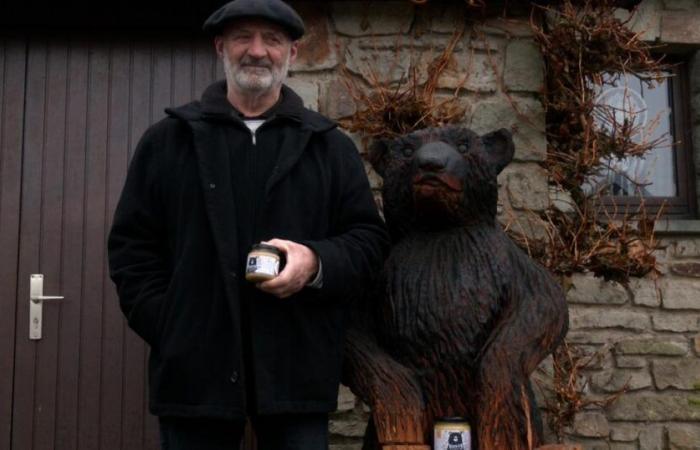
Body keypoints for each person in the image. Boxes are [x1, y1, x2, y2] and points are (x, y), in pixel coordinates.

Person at [107, 0, 389, 448]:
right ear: (221, 47)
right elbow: (131, 248)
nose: (257, 51)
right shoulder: (168, 141)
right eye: (243, 37)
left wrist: (314, 262)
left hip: (297, 372)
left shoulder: (328, 146)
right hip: (194, 374)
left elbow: (368, 242)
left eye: (272, 40)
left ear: (292, 54)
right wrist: (171, 323)